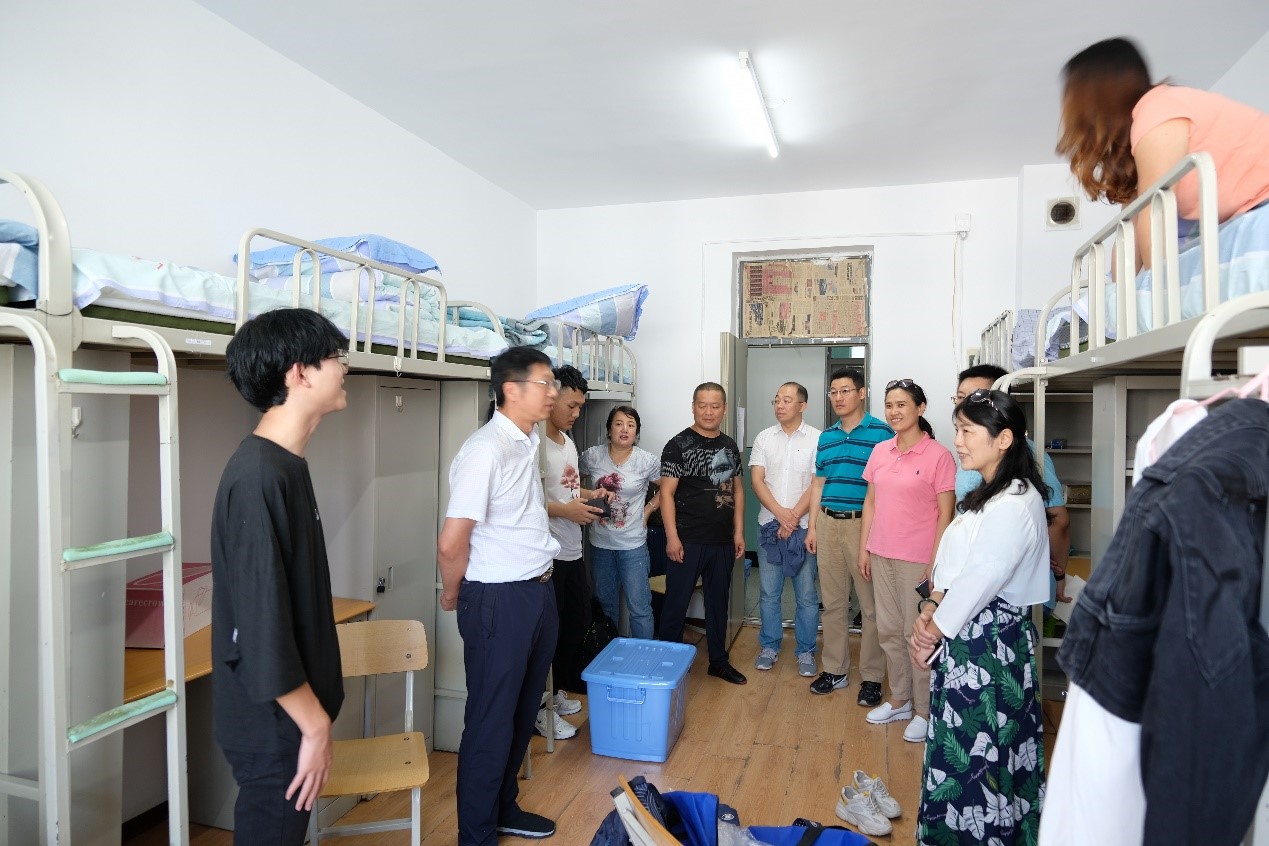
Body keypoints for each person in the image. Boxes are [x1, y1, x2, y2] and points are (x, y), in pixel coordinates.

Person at [210, 308, 349, 845]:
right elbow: (260, 627)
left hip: (291, 718)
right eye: (335, 357)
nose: (344, 368)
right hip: (276, 724)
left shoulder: (286, 465)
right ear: (299, 372)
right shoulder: (258, 478)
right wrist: (313, 725)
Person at [910, 389, 1051, 845]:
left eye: (968, 431)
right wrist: (932, 605)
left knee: (980, 760)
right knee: (964, 751)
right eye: (957, 429)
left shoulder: (1014, 503)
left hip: (990, 650)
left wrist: (930, 632)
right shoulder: (988, 493)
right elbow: (957, 566)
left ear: (1004, 439)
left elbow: (982, 577)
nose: (958, 441)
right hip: (969, 638)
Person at [438, 346, 562, 844]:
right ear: (511, 389)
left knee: (521, 711)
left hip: (537, 591)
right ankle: (476, 834)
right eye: (545, 383)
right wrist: (453, 594)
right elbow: (452, 541)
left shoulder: (526, 441)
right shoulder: (484, 449)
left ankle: (503, 807)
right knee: (490, 720)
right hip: (498, 599)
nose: (553, 393)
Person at [1057, 36, 1269, 271]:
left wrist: (1157, 289)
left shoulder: (1158, 112)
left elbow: (1154, 219)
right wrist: (1120, 291)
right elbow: (1128, 232)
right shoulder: (1140, 142)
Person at [858, 379, 955, 743]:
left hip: (918, 559)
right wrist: (864, 547)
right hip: (881, 552)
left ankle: (925, 710)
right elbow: (871, 502)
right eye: (889, 405)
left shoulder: (939, 456)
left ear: (920, 408)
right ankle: (899, 698)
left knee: (918, 634)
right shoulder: (880, 451)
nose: (894, 411)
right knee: (888, 629)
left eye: (902, 404)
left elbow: (946, 514)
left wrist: (935, 562)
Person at [806, 368, 892, 703]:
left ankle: (871, 677)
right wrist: (813, 527)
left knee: (870, 608)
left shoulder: (882, 433)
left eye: (845, 390)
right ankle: (835, 669)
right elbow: (818, 484)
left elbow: (886, 488)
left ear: (861, 393)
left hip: (863, 526)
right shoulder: (826, 437)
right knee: (833, 604)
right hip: (828, 523)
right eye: (833, 392)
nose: (838, 397)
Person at [953, 364, 1072, 604]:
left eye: (975, 398)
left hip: (1006, 590)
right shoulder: (968, 453)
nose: (964, 406)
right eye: (960, 397)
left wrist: (1058, 573)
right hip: (971, 578)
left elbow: (1058, 520)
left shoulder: (1029, 457)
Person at [656, 381, 747, 685]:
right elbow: (666, 494)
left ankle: (718, 662)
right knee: (676, 604)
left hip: (721, 540)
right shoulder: (678, 444)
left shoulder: (730, 445)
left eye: (715, 406)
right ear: (693, 407)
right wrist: (672, 537)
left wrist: (738, 532)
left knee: (718, 604)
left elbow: (737, 489)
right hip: (687, 540)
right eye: (702, 405)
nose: (708, 412)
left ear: (724, 409)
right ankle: (668, 665)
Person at [539, 363, 605, 737]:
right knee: (546, 635)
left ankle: (556, 692)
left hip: (572, 549)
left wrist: (590, 495)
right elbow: (529, 500)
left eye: (581, 406)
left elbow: (567, 488)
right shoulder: (534, 444)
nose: (577, 413)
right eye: (572, 406)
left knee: (573, 626)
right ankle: (539, 709)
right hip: (548, 555)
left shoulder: (567, 442)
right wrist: (567, 511)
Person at [750, 382, 821, 676]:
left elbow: (817, 484)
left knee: (806, 595)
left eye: (787, 400)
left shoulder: (818, 438)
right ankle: (769, 645)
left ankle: (805, 650)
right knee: (769, 593)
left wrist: (792, 518)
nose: (780, 405)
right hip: (769, 527)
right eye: (777, 400)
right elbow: (757, 480)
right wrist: (781, 515)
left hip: (803, 529)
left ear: (802, 406)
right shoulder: (764, 437)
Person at [580, 405, 661, 640]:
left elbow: (668, 488)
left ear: (636, 432)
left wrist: (648, 509)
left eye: (630, 425)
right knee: (605, 608)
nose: (624, 429)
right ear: (609, 430)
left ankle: (642, 657)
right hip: (600, 544)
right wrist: (585, 502)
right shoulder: (592, 456)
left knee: (640, 608)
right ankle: (609, 657)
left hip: (633, 546)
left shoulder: (646, 461)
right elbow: (571, 482)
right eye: (618, 424)